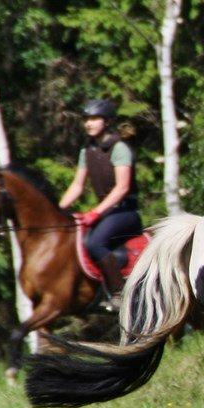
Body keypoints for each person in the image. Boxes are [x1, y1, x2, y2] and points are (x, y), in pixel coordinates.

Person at [58, 99, 142, 310]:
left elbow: (122, 188)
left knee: (95, 243)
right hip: (107, 213)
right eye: (86, 119)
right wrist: (59, 210)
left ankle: (120, 294)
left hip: (126, 212)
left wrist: (95, 212)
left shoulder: (119, 147)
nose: (89, 123)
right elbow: (77, 186)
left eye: (94, 119)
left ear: (106, 121)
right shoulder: (87, 151)